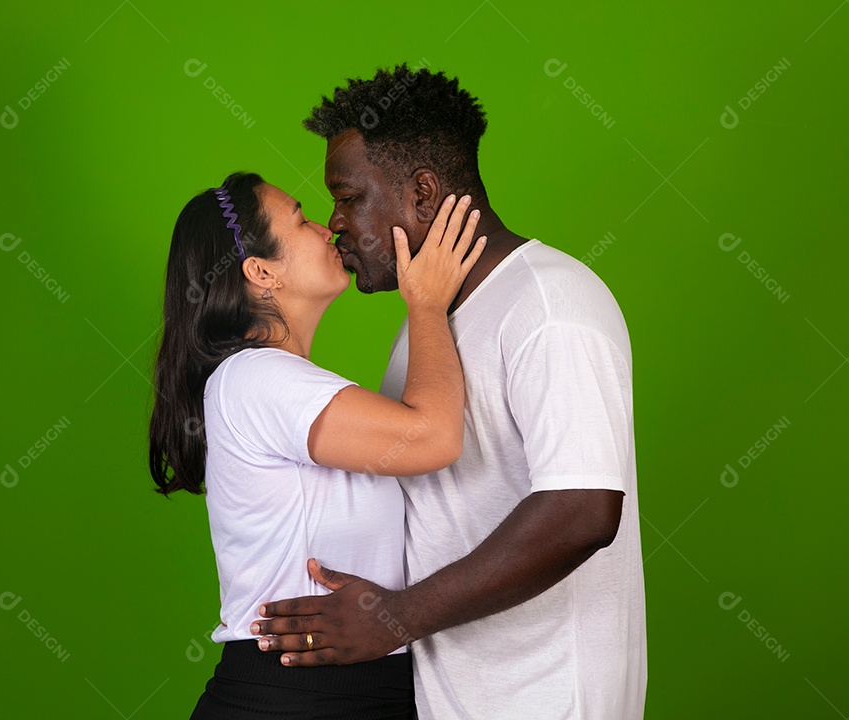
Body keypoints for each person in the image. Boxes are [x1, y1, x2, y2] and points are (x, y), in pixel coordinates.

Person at [251, 65, 647, 719]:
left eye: (349, 197)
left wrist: (396, 616)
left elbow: (583, 511)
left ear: (424, 192)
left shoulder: (551, 304)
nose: (335, 222)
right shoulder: (426, 325)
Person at [147, 171, 486, 719]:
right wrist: (425, 303)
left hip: (352, 690)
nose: (328, 228)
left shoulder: (280, 384)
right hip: (294, 697)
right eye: (302, 219)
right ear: (260, 272)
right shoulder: (254, 378)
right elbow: (433, 437)